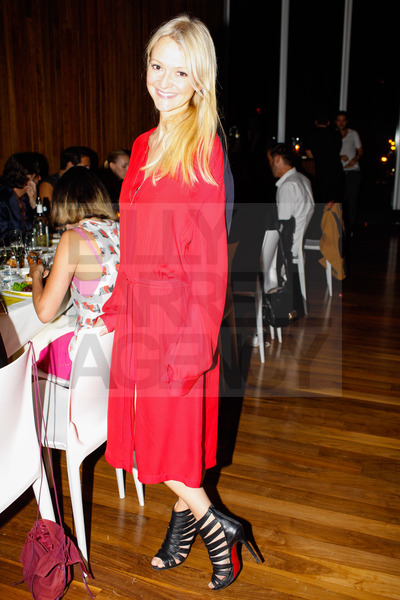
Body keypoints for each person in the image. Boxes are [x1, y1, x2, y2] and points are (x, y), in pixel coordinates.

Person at [97, 14, 258, 591]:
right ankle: (186, 526)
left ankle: (218, 529)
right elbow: (132, 237)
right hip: (140, 312)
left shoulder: (204, 148)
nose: (164, 81)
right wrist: (117, 305)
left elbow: (211, 260)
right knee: (159, 440)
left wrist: (194, 344)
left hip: (178, 318)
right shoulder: (142, 145)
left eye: (180, 71)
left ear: (200, 79)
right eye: (156, 66)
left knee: (161, 443)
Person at [30, 166, 119, 381]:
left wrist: (36, 274)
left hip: (89, 357)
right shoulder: (119, 227)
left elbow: (44, 312)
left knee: (28, 348)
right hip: (119, 348)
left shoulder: (73, 238)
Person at [267, 144, 315, 257]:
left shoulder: (288, 186)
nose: (269, 165)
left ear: (277, 159)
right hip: (299, 241)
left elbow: (284, 227)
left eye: (270, 161)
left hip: (289, 248)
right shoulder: (303, 179)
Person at [305, 111, 344, 237]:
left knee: (320, 202)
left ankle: (318, 232)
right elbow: (337, 150)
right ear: (328, 123)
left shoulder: (311, 134)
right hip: (335, 170)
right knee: (335, 202)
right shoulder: (336, 134)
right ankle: (335, 231)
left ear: (316, 122)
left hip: (320, 171)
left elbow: (309, 154)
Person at [0, 152, 42, 238]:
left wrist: (34, 205)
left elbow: (40, 230)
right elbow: (4, 236)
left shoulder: (26, 197)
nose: (40, 178)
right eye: (37, 175)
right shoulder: (3, 200)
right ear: (28, 177)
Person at [335, 111, 363, 234]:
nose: (341, 123)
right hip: (339, 172)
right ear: (335, 122)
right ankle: (337, 228)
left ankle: (351, 229)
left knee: (352, 201)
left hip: (353, 171)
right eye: (339, 120)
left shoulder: (353, 133)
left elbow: (360, 151)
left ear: (346, 122)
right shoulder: (333, 134)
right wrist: (340, 157)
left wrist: (354, 160)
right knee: (337, 201)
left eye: (343, 120)